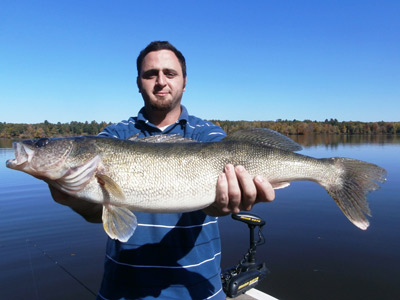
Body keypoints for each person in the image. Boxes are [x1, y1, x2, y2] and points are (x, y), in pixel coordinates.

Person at [50, 41, 275, 300]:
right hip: (121, 292)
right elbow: (94, 212)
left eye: (170, 73)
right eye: (150, 74)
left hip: (199, 292)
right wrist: (74, 197)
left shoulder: (208, 135)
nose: (160, 81)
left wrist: (220, 206)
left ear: (185, 81)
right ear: (138, 82)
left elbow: (216, 204)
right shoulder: (113, 137)